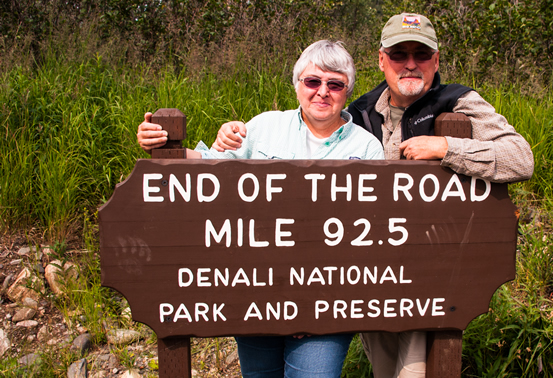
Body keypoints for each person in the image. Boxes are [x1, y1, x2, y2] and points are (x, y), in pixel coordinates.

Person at [212, 13, 534, 378]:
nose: (410, 63)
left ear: (436, 60)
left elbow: (520, 159)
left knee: (416, 372)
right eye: (399, 54)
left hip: (431, 271)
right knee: (383, 370)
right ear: (382, 60)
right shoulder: (359, 113)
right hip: (370, 275)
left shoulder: (458, 102)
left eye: (421, 54)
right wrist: (230, 139)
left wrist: (447, 146)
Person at [137, 40, 384, 377]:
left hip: (326, 303)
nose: (322, 92)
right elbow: (211, 167)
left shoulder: (367, 147)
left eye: (335, 84)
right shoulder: (264, 127)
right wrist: (165, 146)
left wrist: (310, 306)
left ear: (346, 90)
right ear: (297, 85)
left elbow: (368, 238)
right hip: (256, 292)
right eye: (313, 82)